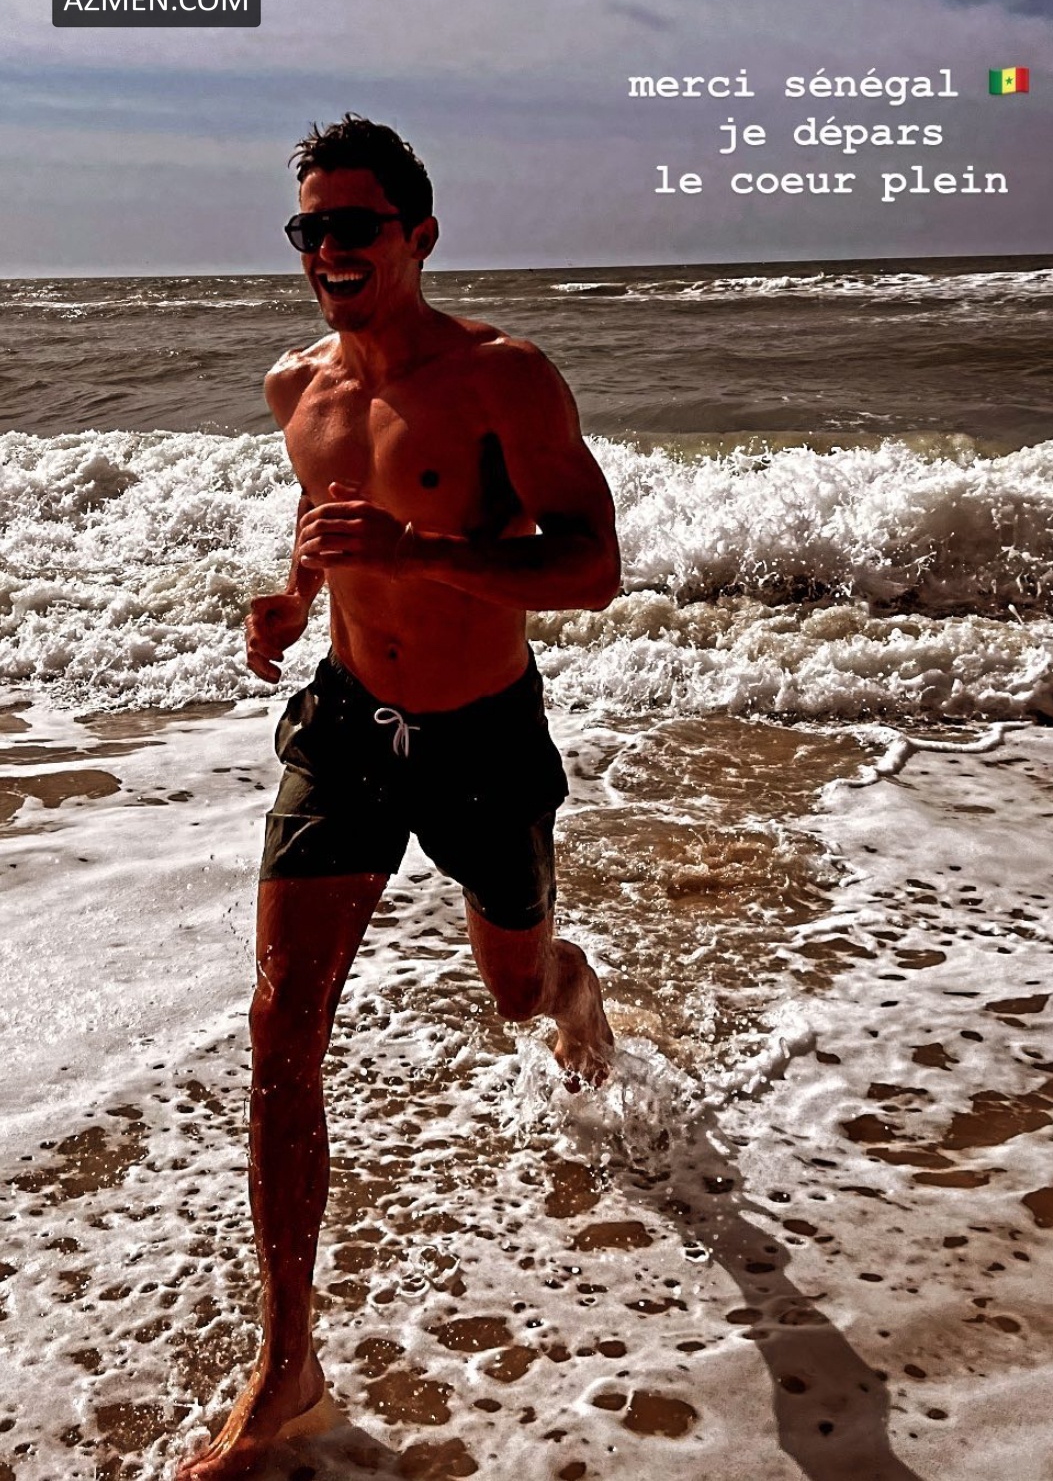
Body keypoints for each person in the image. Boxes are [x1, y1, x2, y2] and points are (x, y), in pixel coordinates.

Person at [177, 115, 620, 1478]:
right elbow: (329, 523)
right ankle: (288, 1364)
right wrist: (291, 596)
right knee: (281, 1026)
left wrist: (420, 549)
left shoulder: (503, 377)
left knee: (516, 994)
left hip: (484, 735)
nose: (328, 249)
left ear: (418, 235)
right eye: (308, 228)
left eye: (353, 225)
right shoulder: (295, 387)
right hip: (346, 729)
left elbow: (592, 566)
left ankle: (573, 986)